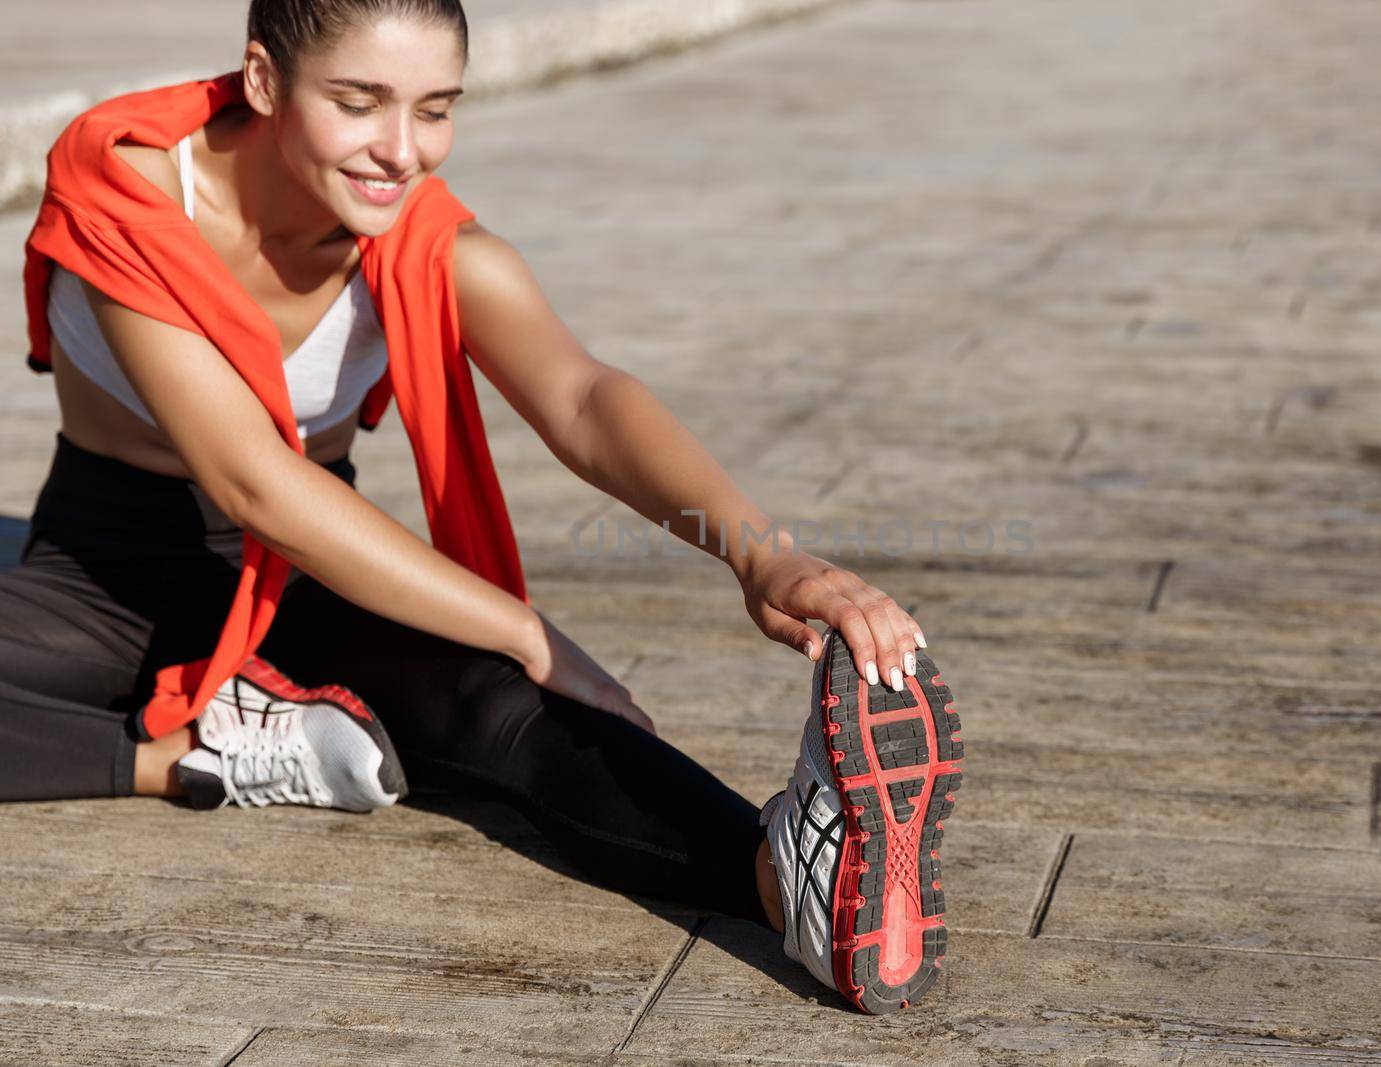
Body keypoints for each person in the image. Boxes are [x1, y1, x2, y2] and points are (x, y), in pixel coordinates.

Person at [0, 0, 963, 1014]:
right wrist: (522, 624)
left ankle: (789, 877)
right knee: (520, 654)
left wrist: (763, 557)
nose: (399, 151)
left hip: (307, 571)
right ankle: (191, 758)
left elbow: (584, 400)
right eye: (359, 102)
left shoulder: (431, 247)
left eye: (434, 109)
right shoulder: (128, 189)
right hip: (104, 572)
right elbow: (252, 481)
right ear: (263, 80)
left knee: (500, 709)